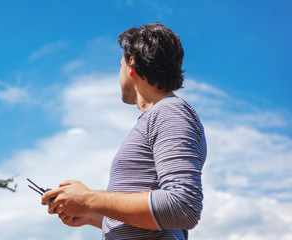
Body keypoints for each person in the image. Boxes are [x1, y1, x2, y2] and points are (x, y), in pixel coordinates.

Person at [42, 22, 207, 240]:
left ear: (131, 63)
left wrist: (90, 198)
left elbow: (183, 207)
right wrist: (92, 215)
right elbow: (156, 223)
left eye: (119, 65)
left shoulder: (169, 111)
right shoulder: (159, 115)